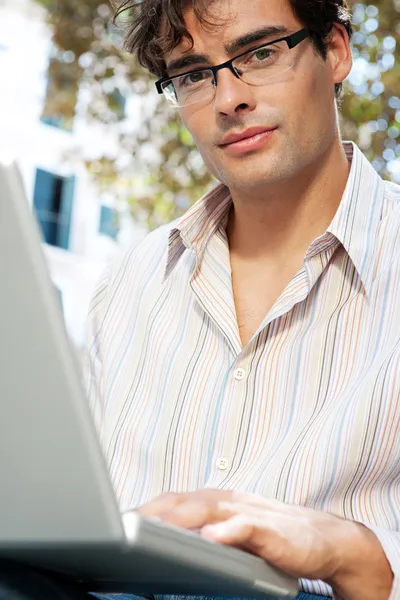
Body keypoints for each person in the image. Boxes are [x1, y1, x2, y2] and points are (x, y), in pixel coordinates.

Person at [85, 0, 400, 598]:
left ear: (335, 50)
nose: (228, 99)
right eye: (194, 74)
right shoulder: (126, 286)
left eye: (259, 54)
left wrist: (350, 553)